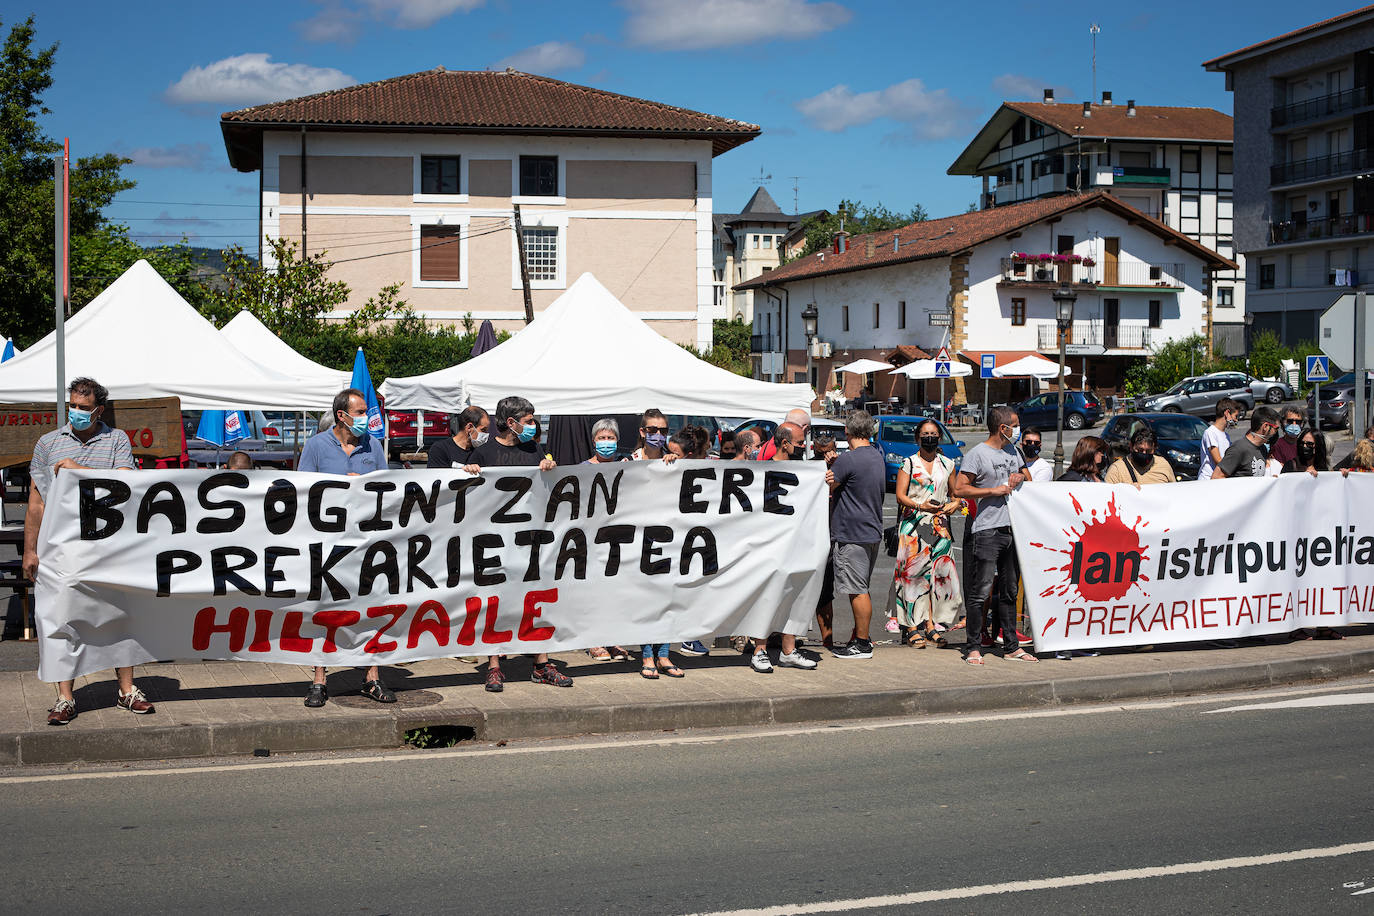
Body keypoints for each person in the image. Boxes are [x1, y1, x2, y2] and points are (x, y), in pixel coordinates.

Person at [28, 378, 146, 725]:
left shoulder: (116, 440)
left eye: (84, 407)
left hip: (109, 546)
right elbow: (36, 502)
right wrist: (30, 551)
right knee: (63, 617)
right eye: (73, 406)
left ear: (99, 410)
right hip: (62, 548)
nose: (77, 412)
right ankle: (65, 697)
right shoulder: (48, 443)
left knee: (120, 615)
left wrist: (77, 470)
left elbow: (125, 483)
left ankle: (126, 689)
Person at [298, 388, 393, 707]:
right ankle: (319, 679)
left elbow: (387, 488)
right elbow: (302, 491)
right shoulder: (316, 446)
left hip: (365, 541)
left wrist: (363, 487)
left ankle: (371, 677)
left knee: (370, 607)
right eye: (361, 412)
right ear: (342, 415)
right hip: (328, 542)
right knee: (324, 608)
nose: (367, 418)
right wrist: (340, 488)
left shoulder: (373, 445)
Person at [471, 396, 572, 691]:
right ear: (511, 422)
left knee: (535, 599)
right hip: (494, 541)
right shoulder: (484, 453)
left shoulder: (533, 449)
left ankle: (541, 663)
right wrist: (469, 472)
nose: (533, 425)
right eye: (528, 421)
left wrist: (549, 468)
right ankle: (494, 666)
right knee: (495, 601)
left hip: (530, 539)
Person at [951, 406, 1036, 665]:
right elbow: (960, 489)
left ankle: (1011, 647)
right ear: (1003, 428)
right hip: (987, 530)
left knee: (1010, 591)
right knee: (981, 591)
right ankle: (973, 647)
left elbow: (1029, 480)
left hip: (1013, 529)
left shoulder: (1014, 451)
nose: (1018, 430)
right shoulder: (977, 454)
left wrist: (1020, 475)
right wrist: (992, 491)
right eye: (1015, 425)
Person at [746, 422, 817, 673]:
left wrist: (826, 480)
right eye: (799, 442)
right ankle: (759, 650)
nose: (803, 446)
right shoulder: (762, 469)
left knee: (793, 595)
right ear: (784, 443)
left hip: (795, 544)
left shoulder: (806, 471)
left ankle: (789, 650)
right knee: (767, 596)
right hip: (768, 543)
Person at [892, 418, 963, 647]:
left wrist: (955, 504)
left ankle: (931, 626)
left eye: (933, 434)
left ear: (939, 437)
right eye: (925, 435)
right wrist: (920, 506)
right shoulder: (909, 463)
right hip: (913, 525)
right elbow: (900, 496)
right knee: (912, 578)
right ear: (918, 438)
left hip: (940, 528)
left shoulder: (948, 464)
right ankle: (912, 628)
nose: (929, 438)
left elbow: (955, 494)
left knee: (938, 578)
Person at [826, 411, 886, 660]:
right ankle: (861, 638)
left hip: (852, 533)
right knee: (862, 587)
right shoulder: (876, 455)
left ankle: (862, 643)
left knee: (857, 590)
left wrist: (832, 465)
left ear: (847, 432)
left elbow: (829, 484)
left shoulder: (848, 460)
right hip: (870, 530)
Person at [812, 435, 840, 648]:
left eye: (828, 451)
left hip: (831, 534)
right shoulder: (808, 468)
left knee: (825, 591)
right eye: (820, 453)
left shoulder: (842, 466)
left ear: (835, 448)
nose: (825, 456)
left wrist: (836, 467)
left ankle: (827, 640)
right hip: (808, 535)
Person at [1212, 406, 1280, 479]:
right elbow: (1216, 477)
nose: (1276, 433)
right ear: (1265, 426)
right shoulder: (1238, 449)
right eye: (1276, 428)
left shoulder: (1262, 448)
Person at [1105, 427, 1175, 485]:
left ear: (1154, 449)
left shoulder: (1163, 465)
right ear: (1131, 446)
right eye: (1140, 450)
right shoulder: (1117, 470)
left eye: (1148, 451)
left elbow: (1174, 492)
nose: (1144, 453)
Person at [1198, 398, 1241, 480]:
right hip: (1208, 479)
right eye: (1235, 416)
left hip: (1219, 478)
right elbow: (1218, 460)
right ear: (1227, 413)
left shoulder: (1226, 435)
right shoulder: (1211, 432)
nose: (1236, 420)